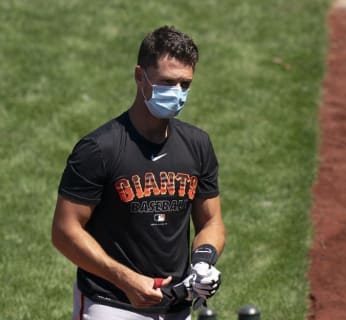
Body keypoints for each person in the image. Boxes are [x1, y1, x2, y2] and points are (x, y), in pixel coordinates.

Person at [51, 25, 226, 320]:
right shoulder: (98, 149)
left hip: (176, 306)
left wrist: (203, 261)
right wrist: (125, 279)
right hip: (110, 304)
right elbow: (65, 232)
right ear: (139, 76)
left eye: (185, 84)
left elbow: (211, 221)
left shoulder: (198, 145)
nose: (178, 93)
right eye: (167, 82)